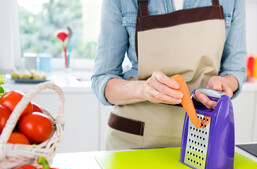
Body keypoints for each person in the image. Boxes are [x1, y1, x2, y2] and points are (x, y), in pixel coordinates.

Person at [91, 0, 247, 150]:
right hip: (133, 137)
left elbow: (235, 71)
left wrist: (224, 83)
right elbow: (103, 79)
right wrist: (145, 89)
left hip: (201, 137)